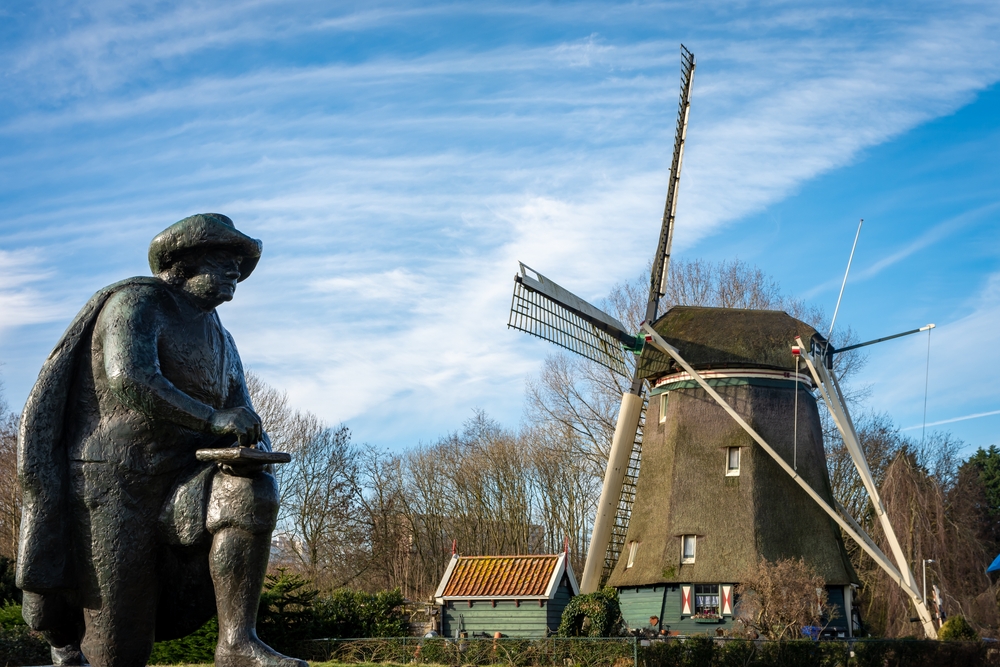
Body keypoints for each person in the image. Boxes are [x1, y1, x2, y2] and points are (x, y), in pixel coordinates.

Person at [16, 214, 306, 667]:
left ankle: (236, 643)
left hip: (185, 477)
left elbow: (240, 409)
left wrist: (255, 444)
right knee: (117, 652)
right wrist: (213, 419)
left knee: (249, 491)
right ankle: (67, 650)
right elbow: (129, 378)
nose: (235, 271)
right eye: (223, 258)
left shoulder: (222, 338)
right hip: (115, 484)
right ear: (183, 262)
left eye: (238, 262)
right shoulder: (138, 302)